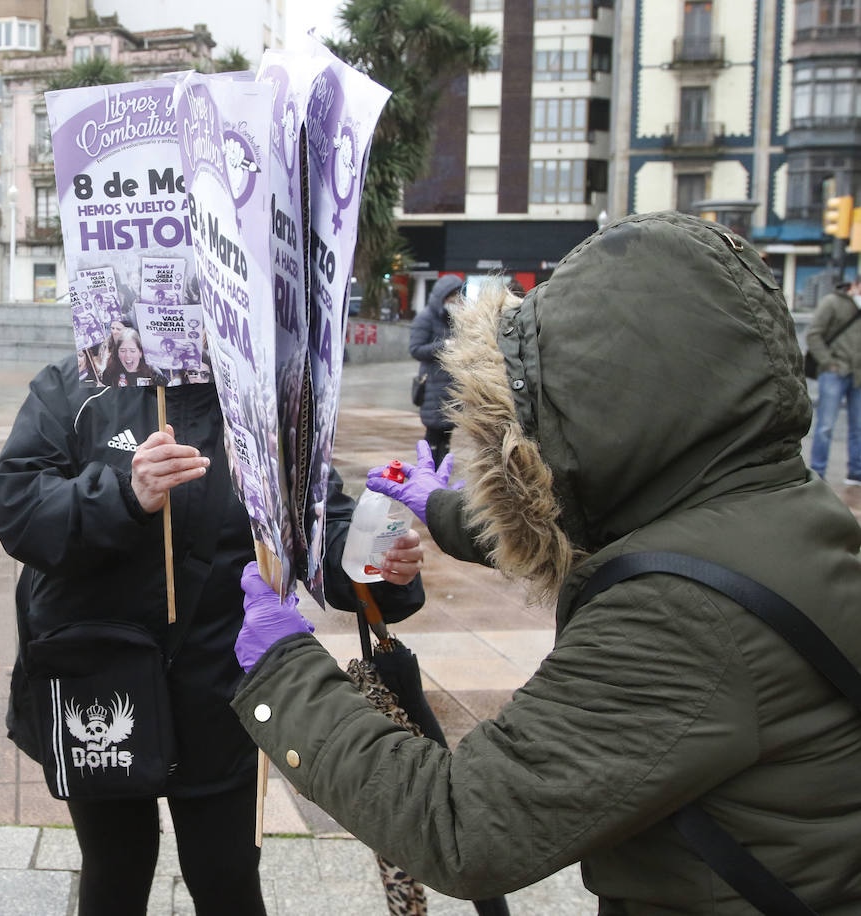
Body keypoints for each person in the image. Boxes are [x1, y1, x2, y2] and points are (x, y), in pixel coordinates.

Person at [231, 212, 861, 911]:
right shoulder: (778, 502)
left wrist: (285, 675)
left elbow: (463, 826)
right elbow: (611, 537)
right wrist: (450, 509)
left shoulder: (682, 618)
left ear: (610, 408)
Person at [0, 356, 427, 915]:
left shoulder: (266, 401)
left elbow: (319, 523)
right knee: (115, 869)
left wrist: (373, 560)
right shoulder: (77, 385)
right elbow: (17, 505)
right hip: (98, 688)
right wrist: (126, 493)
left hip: (223, 691)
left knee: (228, 877)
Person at [804, 276, 861, 485]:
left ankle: (856, 472)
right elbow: (814, 335)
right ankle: (818, 471)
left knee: (859, 426)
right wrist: (828, 362)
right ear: (854, 285)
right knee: (825, 425)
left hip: (858, 375)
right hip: (834, 372)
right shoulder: (832, 303)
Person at [409, 274, 465, 462]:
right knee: (433, 435)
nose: (455, 300)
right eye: (452, 296)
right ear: (442, 296)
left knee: (446, 436)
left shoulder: (454, 318)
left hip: (450, 387)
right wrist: (445, 345)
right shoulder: (425, 318)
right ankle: (428, 474)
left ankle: (442, 475)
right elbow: (416, 349)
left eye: (458, 296)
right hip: (433, 386)